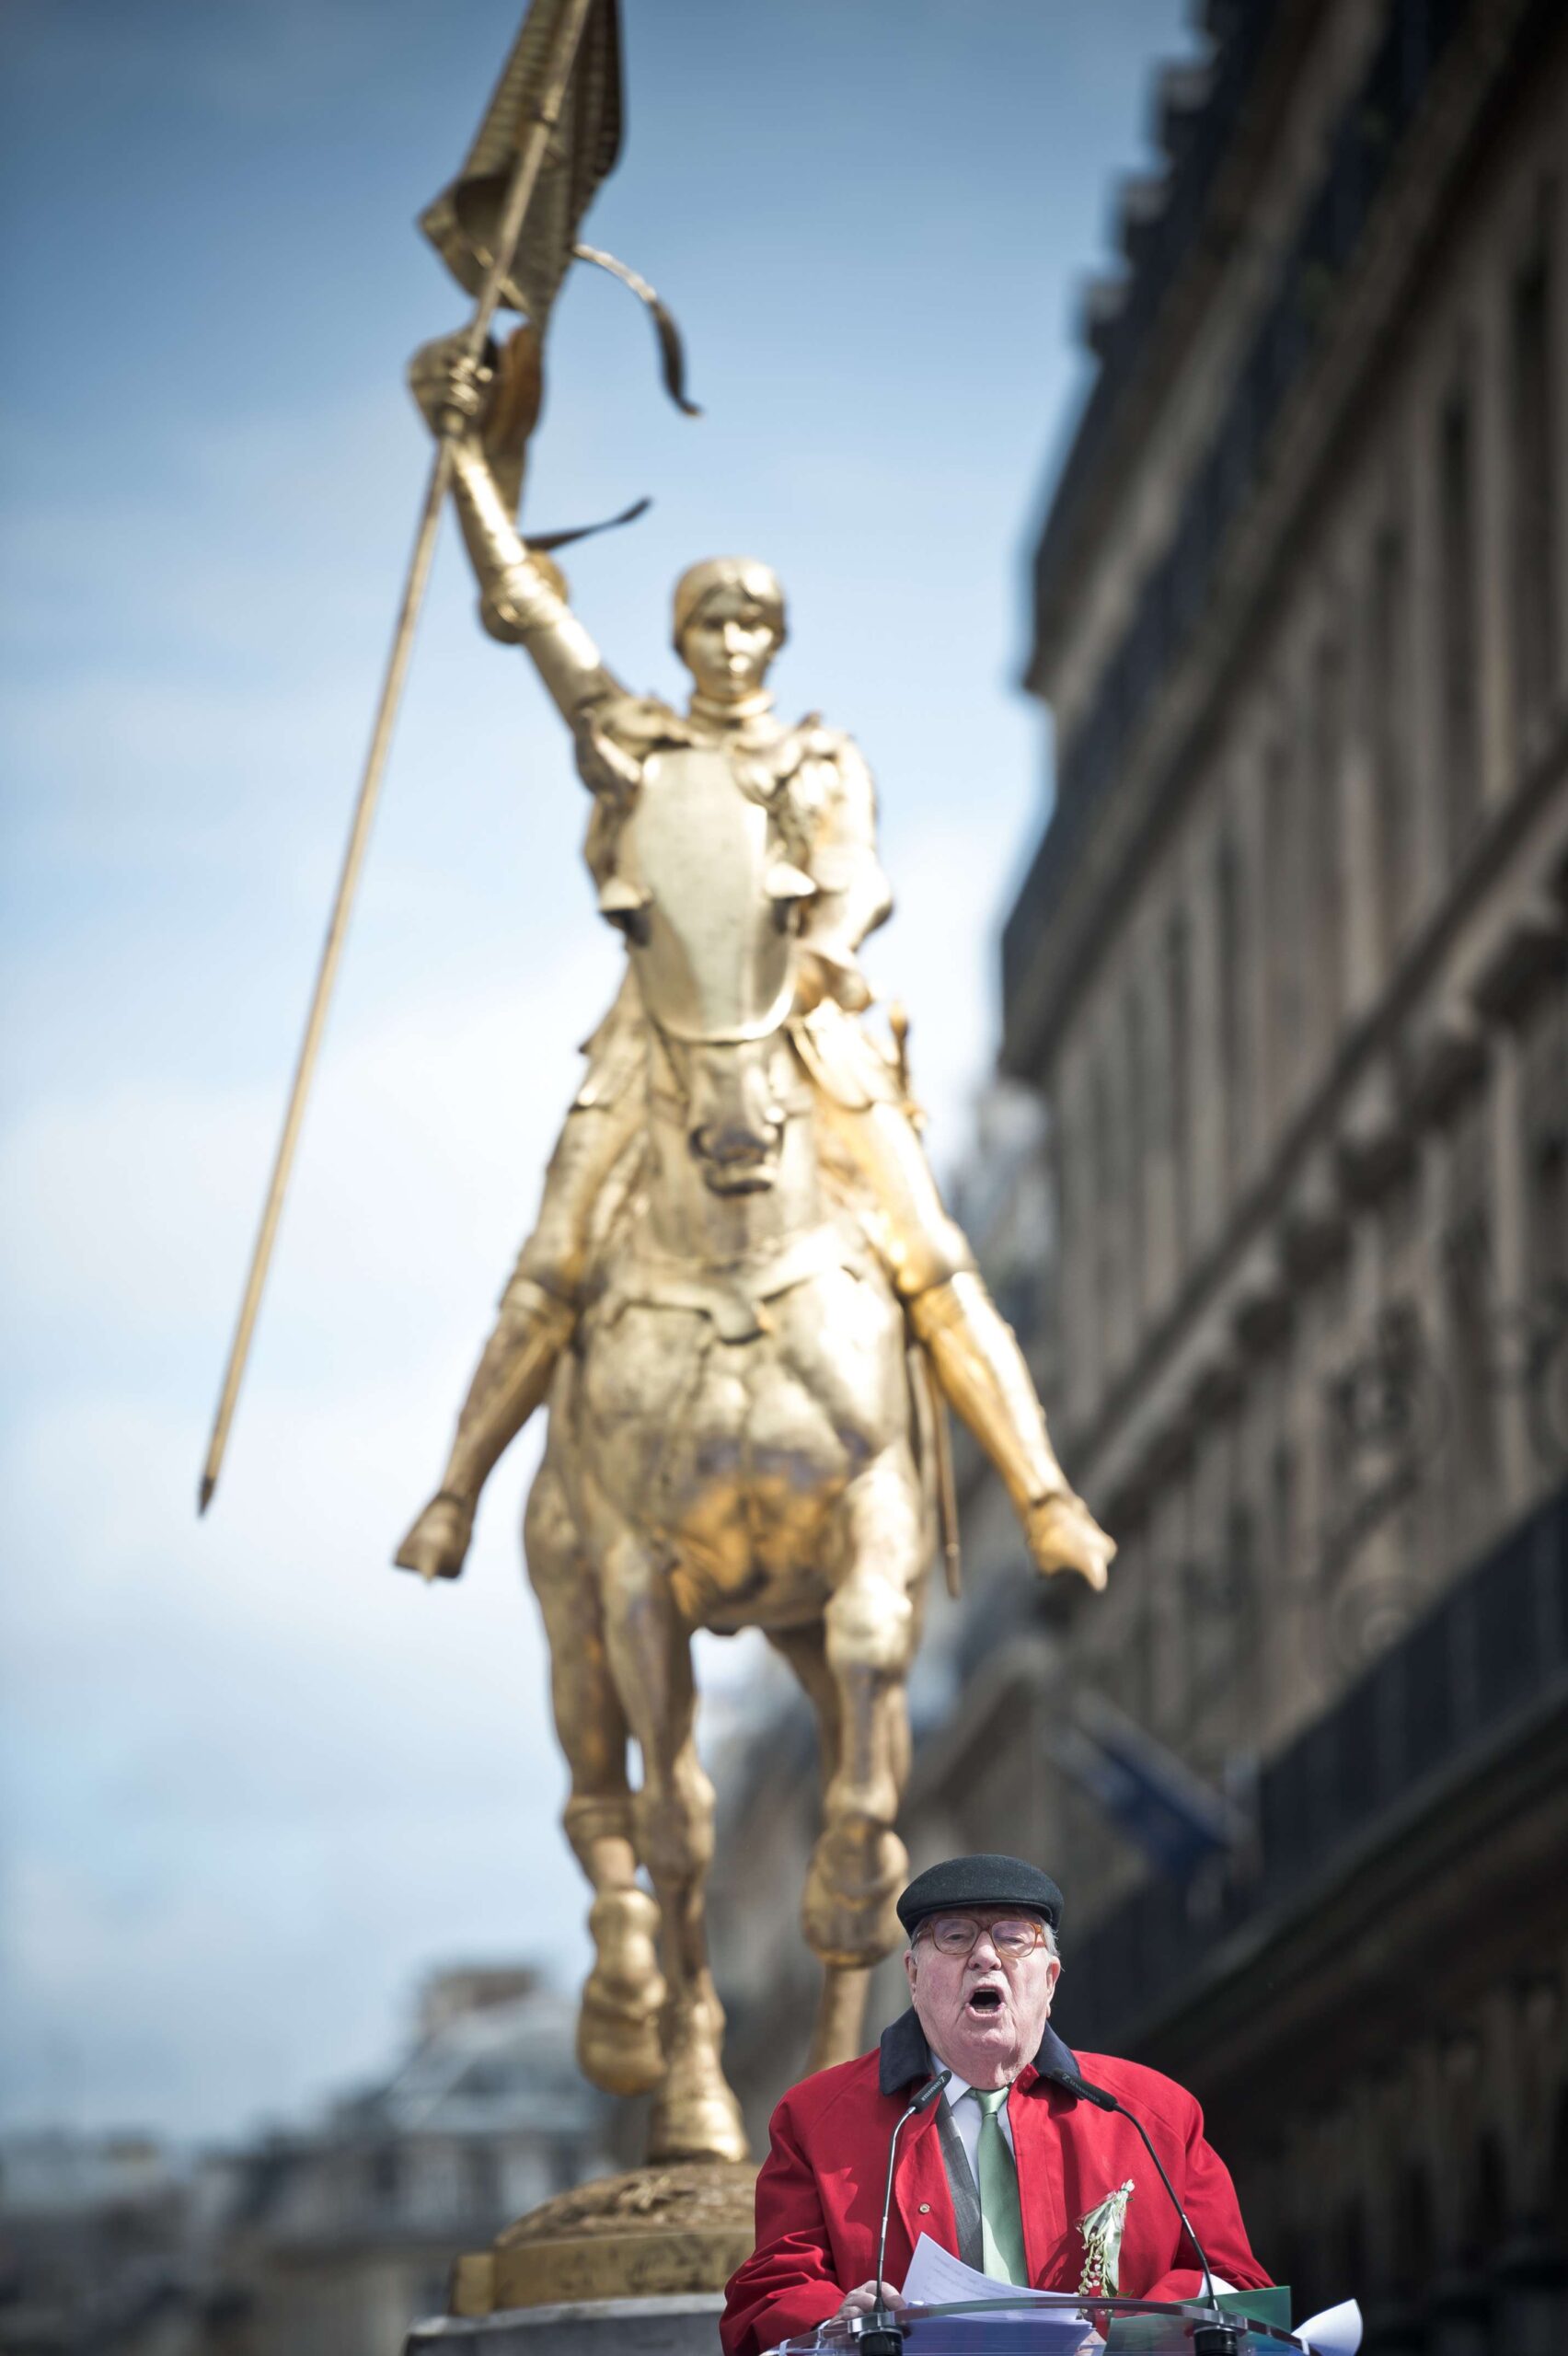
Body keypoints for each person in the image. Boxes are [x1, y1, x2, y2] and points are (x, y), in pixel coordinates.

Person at [392, 335, 1113, 1594]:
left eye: (752, 622)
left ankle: (1046, 1492)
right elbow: (529, 612)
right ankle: (457, 1489)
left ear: (777, 638)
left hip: (805, 1027)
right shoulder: (634, 742)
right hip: (654, 1037)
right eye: (711, 622)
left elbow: (861, 874)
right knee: (555, 1255)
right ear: (680, 637)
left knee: (930, 1253)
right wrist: (465, 464)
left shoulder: (823, 760)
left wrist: (828, 956)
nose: (732, 643)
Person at [721, 1854, 1272, 2356]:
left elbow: (1235, 2284)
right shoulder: (817, 2119)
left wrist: (1131, 2336)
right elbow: (765, 2300)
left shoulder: (1154, 2112)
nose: (985, 1956)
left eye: (1014, 1938)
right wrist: (838, 2323)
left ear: (1050, 1980)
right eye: (955, 1937)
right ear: (913, 1976)